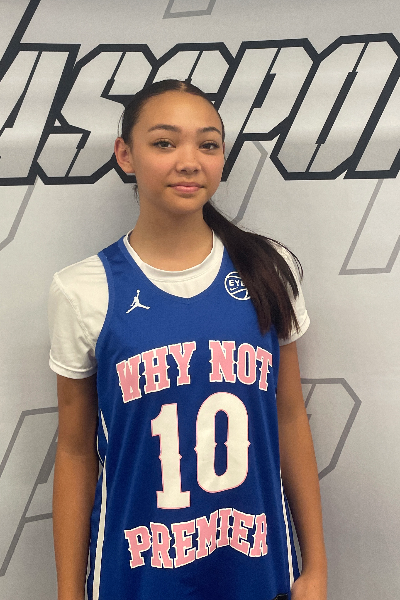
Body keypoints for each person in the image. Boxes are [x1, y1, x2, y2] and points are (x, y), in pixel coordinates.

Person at [50, 79, 327, 600]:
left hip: (256, 567)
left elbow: (289, 417)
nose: (189, 161)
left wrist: (315, 566)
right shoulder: (83, 289)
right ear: (125, 155)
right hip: (137, 574)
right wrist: (68, 592)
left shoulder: (269, 268)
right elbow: (74, 451)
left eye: (208, 144)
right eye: (164, 142)